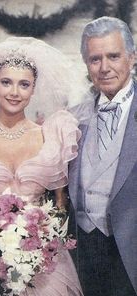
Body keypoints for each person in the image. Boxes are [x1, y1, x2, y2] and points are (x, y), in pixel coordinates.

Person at [0, 37, 88, 296]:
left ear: (33, 89)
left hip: (43, 269)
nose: (14, 92)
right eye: (6, 82)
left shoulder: (51, 134)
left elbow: (61, 205)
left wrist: (37, 247)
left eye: (24, 84)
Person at [68, 16, 137, 296]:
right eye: (95, 59)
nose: (105, 67)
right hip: (81, 254)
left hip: (131, 254)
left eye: (113, 56)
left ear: (132, 58)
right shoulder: (72, 117)